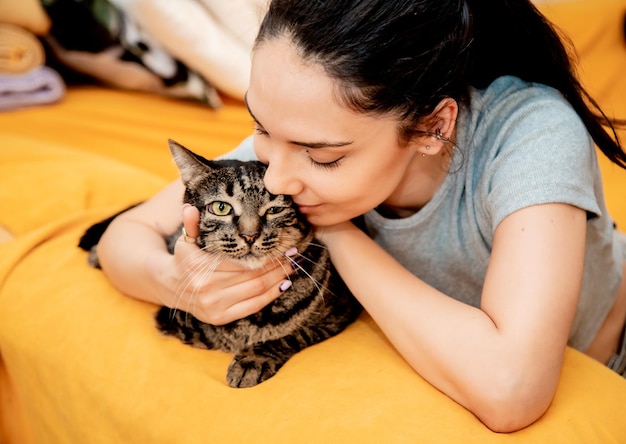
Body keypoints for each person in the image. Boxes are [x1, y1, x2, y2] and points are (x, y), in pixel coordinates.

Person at [96, 0, 626, 433]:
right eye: (260, 126)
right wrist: (177, 282)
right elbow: (127, 237)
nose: (275, 178)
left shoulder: (533, 135)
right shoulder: (296, 135)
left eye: (323, 157)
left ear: (431, 128)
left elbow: (510, 390)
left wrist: (333, 229)